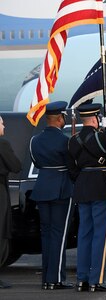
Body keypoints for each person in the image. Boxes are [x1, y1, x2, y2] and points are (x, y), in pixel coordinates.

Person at [67, 103, 106, 292]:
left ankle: (82, 279)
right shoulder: (103, 137)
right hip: (101, 186)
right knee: (100, 235)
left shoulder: (73, 140)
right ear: (96, 119)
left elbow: (72, 169)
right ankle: (97, 280)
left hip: (82, 187)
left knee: (84, 234)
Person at [29, 101, 74, 289]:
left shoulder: (35, 140)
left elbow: (37, 164)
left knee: (46, 235)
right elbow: (72, 167)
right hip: (61, 189)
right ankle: (55, 279)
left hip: (42, 188)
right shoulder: (65, 141)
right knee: (59, 235)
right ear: (60, 118)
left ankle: (47, 279)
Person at [0, 114, 21, 289]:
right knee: (1, 232)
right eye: (1, 123)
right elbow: (16, 166)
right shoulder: (3, 144)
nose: (4, 127)